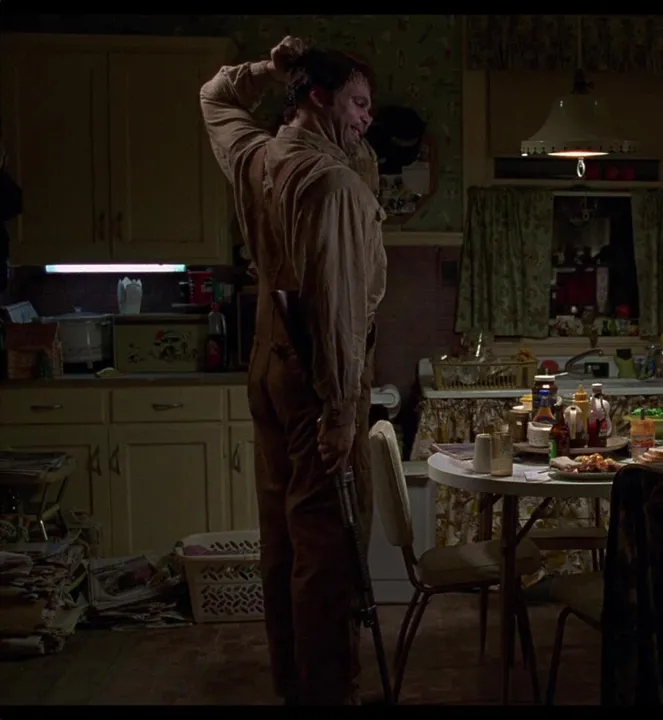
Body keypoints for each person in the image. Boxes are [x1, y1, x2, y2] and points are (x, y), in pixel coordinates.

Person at [199, 37, 386, 705]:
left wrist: (265, 69)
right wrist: (339, 411)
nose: (367, 117)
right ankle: (329, 693)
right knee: (326, 548)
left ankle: (295, 687)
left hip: (268, 365)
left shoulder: (259, 155)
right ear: (319, 97)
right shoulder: (331, 182)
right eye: (358, 103)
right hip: (315, 376)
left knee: (282, 539)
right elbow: (334, 305)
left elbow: (214, 96)